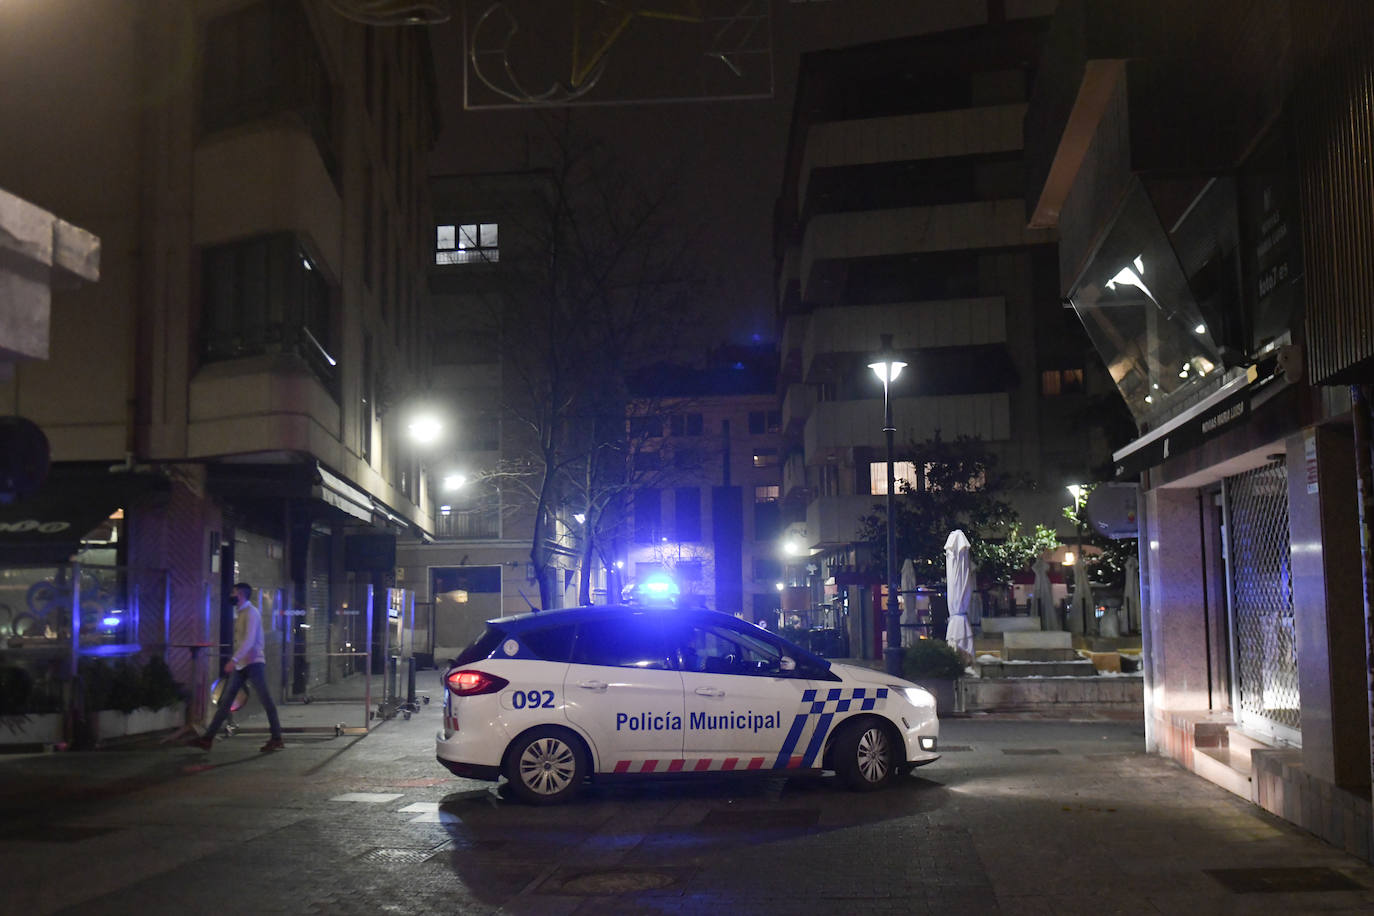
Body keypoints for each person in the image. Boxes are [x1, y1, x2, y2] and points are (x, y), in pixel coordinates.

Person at [192, 583, 284, 752]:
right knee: (226, 701)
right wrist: (237, 661)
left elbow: (249, 641)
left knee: (266, 700)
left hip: (253, 663)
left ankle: (277, 738)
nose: (231, 595)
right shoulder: (241, 613)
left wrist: (233, 660)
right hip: (242, 664)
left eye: (233, 592)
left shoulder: (251, 613)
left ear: (240, 594)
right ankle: (207, 739)